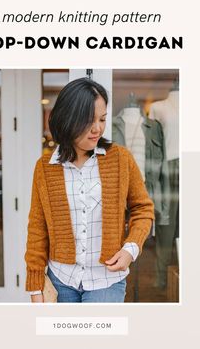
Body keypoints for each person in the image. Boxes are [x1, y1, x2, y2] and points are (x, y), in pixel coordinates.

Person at [24, 77, 155, 303]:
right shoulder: (45, 168)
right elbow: (37, 228)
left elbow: (143, 209)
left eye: (102, 119)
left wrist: (130, 249)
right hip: (61, 281)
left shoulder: (121, 159)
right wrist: (36, 287)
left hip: (106, 280)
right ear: (68, 119)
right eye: (88, 120)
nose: (97, 128)